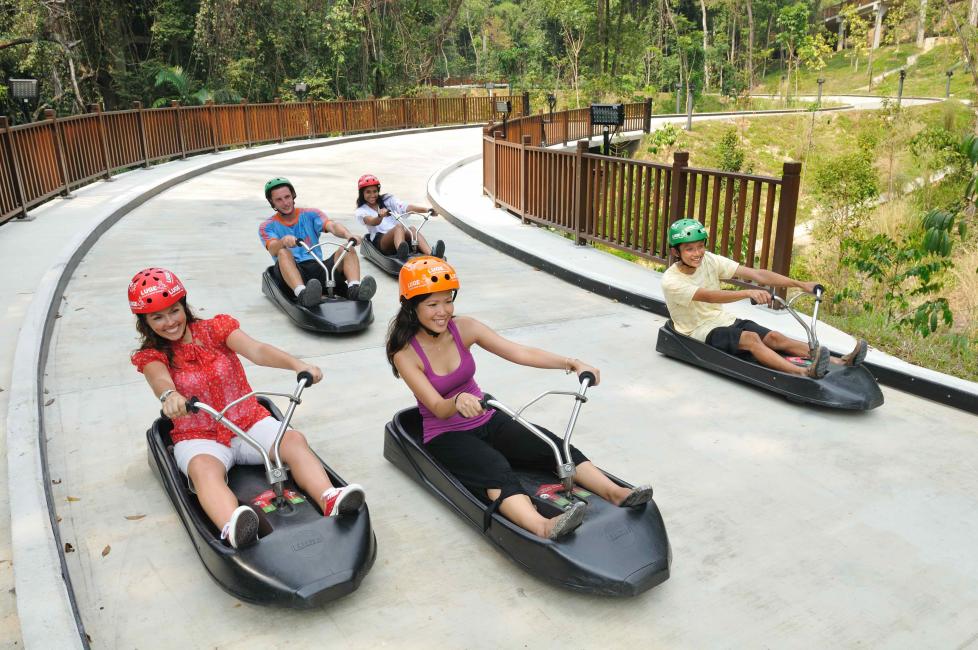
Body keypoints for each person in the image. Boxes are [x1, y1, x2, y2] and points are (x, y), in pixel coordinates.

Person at [386, 257, 653, 540]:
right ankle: (543, 526)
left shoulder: (464, 327)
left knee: (551, 444)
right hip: (447, 434)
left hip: (487, 414)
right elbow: (439, 408)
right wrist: (456, 401)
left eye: (447, 301)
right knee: (495, 468)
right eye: (432, 304)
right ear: (412, 307)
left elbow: (519, 352)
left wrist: (572, 363)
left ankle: (616, 493)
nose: (443, 311)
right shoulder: (405, 354)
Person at [129, 268, 365, 549]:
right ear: (145, 322)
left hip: (247, 422)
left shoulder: (215, 329)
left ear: (184, 306)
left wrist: (298, 365)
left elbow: (257, 350)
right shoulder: (152, 355)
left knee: (292, 440)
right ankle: (233, 526)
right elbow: (159, 378)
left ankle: (329, 498)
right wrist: (170, 395)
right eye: (158, 317)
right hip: (199, 435)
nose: (169, 322)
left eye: (174, 311)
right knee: (203, 470)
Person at [661, 218, 868, 378]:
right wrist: (747, 293)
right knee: (751, 339)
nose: (697, 253)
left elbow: (756, 274)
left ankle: (840, 362)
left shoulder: (709, 260)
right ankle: (803, 373)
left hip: (722, 321)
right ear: (675, 251)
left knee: (775, 338)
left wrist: (800, 284)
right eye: (689, 249)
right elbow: (708, 296)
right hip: (698, 330)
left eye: (700, 246)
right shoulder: (671, 281)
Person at [259, 177, 377, 307]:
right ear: (272, 202)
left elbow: (332, 226)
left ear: (293, 195)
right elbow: (272, 248)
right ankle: (303, 294)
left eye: (287, 197)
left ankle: (354, 290)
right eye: (279, 200)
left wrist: (348, 235)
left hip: (317, 266)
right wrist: (283, 242)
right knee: (283, 252)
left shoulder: (311, 214)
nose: (285, 203)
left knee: (347, 249)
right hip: (292, 272)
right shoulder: (267, 226)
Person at [355, 174, 445, 262]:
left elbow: (405, 207)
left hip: (399, 234)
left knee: (412, 229)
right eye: (368, 192)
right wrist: (380, 216)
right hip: (381, 240)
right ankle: (402, 254)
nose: (372, 195)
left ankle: (432, 255)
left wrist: (427, 209)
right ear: (362, 193)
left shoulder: (387, 199)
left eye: (375, 191)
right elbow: (372, 221)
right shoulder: (361, 211)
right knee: (399, 226)